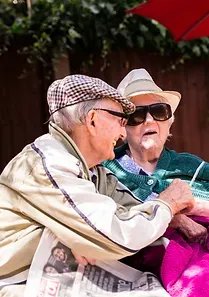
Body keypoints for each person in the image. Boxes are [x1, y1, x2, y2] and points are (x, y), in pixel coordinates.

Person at [0, 74, 194, 296]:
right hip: (19, 283)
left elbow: (128, 204)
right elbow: (119, 233)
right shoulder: (50, 163)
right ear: (93, 120)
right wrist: (167, 203)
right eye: (122, 121)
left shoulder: (89, 166)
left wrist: (174, 218)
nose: (122, 134)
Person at [104, 68, 209, 243]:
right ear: (121, 128)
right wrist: (172, 215)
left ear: (169, 123)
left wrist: (197, 207)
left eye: (159, 111)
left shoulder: (191, 165)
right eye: (137, 115)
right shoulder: (104, 167)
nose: (150, 120)